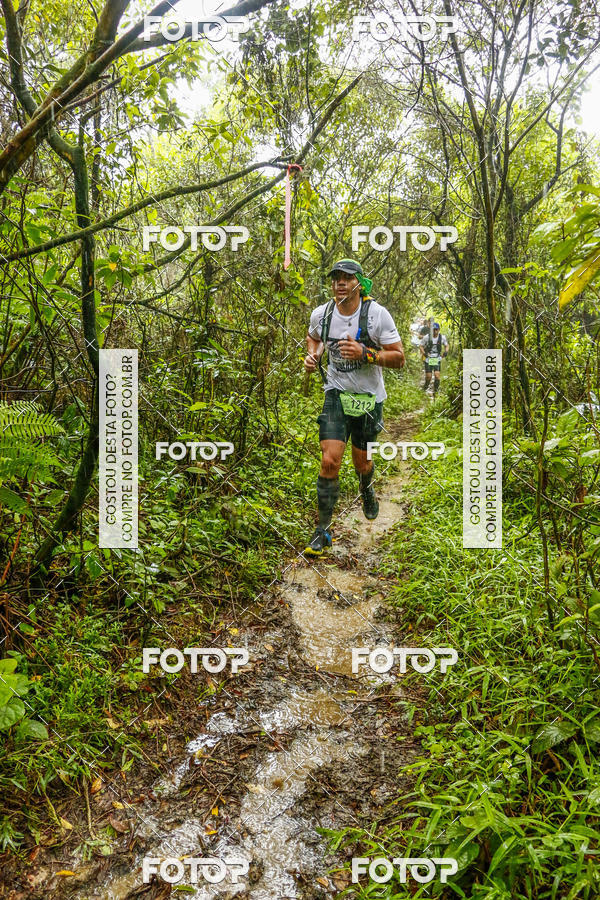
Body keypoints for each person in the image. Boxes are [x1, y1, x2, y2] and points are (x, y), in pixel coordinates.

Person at [303, 259, 405, 556]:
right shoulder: (322, 314)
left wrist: (366, 353)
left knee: (362, 463)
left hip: (369, 398)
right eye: (336, 278)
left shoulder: (376, 316)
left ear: (359, 284)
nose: (340, 284)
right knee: (329, 461)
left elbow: (399, 358)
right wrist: (313, 356)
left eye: (347, 278)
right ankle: (323, 531)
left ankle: (366, 488)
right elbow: (314, 338)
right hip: (336, 394)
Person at [420, 322, 448, 396]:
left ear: (438, 330)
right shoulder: (426, 337)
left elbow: (446, 345)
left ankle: (435, 391)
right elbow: (421, 346)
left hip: (437, 358)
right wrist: (424, 353)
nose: (435, 331)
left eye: (436, 330)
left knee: (437, 375)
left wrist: (446, 352)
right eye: (433, 330)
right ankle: (424, 388)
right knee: (428, 376)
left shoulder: (442, 337)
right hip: (428, 358)